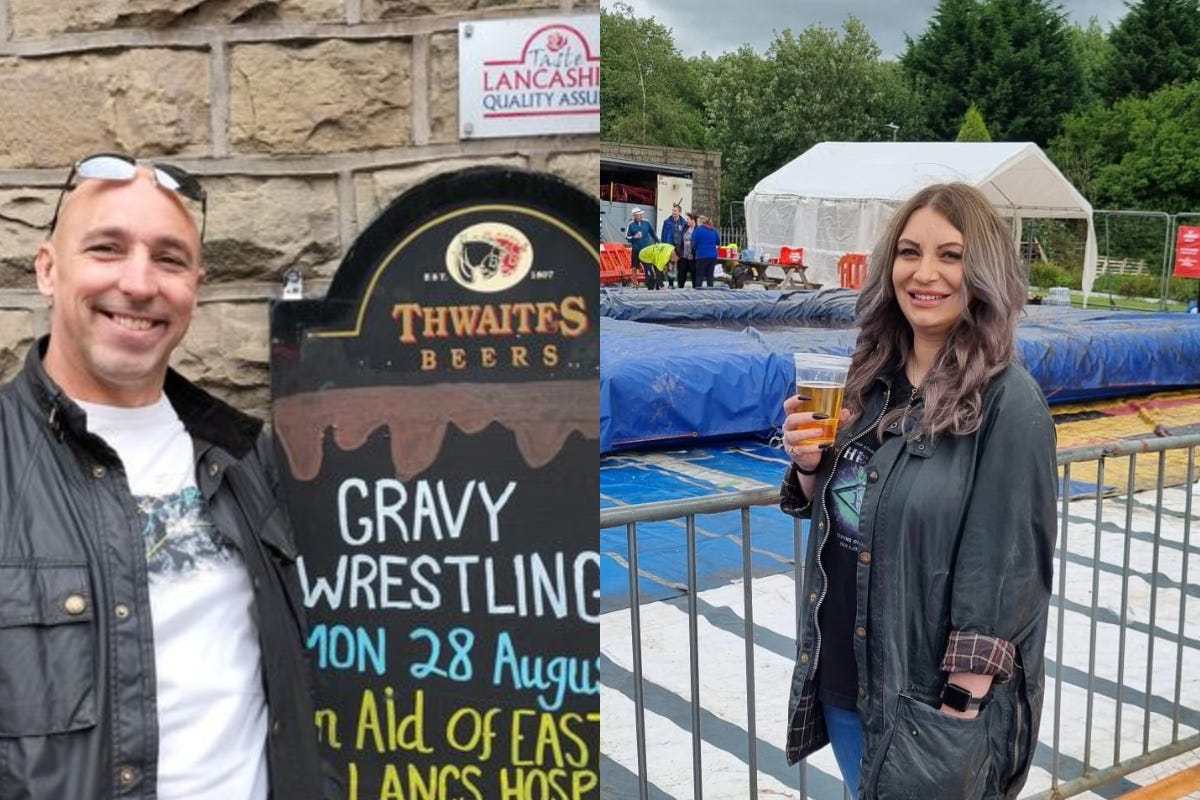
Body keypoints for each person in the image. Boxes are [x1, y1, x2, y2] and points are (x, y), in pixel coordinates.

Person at [0, 154, 333, 799]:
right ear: (48, 268)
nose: (139, 283)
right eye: (106, 248)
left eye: (169, 259)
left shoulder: (248, 458)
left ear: (196, 286)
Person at [778, 183, 1057, 799]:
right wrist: (806, 466)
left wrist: (958, 712)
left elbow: (1005, 572)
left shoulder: (1009, 405)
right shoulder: (868, 382)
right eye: (909, 252)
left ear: (981, 271)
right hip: (852, 684)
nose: (924, 273)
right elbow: (854, 515)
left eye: (950, 255)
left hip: (929, 707)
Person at [625, 207, 657, 281]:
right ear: (635, 216)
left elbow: (653, 234)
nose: (641, 216)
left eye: (641, 214)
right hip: (636, 250)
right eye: (639, 215)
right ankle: (635, 283)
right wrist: (634, 237)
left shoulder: (647, 222)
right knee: (634, 267)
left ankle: (649, 281)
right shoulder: (631, 225)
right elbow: (627, 237)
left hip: (646, 249)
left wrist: (658, 241)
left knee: (648, 265)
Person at [660, 204, 687, 288]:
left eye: (675, 211)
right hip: (670, 247)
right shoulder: (667, 222)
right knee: (670, 266)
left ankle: (680, 284)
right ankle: (671, 284)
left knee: (681, 268)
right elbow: (663, 235)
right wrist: (664, 245)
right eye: (673, 210)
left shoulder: (684, 223)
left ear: (679, 212)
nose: (673, 212)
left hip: (680, 248)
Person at [691, 215, 720, 287]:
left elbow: (693, 243)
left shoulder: (698, 230)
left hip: (702, 256)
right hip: (713, 256)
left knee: (699, 276)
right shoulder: (713, 230)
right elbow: (718, 242)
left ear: (700, 222)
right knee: (710, 276)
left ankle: (698, 293)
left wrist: (696, 248)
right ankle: (710, 293)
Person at [678, 212, 698, 289]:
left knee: (694, 274)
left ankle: (695, 289)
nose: (687, 221)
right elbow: (681, 240)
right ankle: (680, 288)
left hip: (693, 256)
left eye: (688, 219)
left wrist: (692, 243)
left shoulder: (697, 229)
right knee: (681, 274)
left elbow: (699, 241)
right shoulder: (685, 227)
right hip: (684, 255)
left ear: (693, 220)